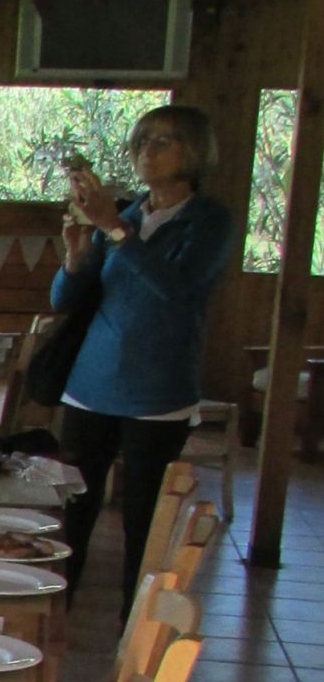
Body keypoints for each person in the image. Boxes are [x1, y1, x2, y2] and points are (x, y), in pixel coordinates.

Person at [50, 106, 232, 619]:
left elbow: (178, 290)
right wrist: (74, 260)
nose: (146, 152)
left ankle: (133, 637)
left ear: (193, 152)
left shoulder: (209, 221)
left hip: (157, 394)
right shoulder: (126, 216)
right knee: (69, 517)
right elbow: (65, 300)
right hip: (90, 388)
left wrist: (115, 229)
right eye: (141, 142)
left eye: (162, 142)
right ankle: (53, 625)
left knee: (144, 524)